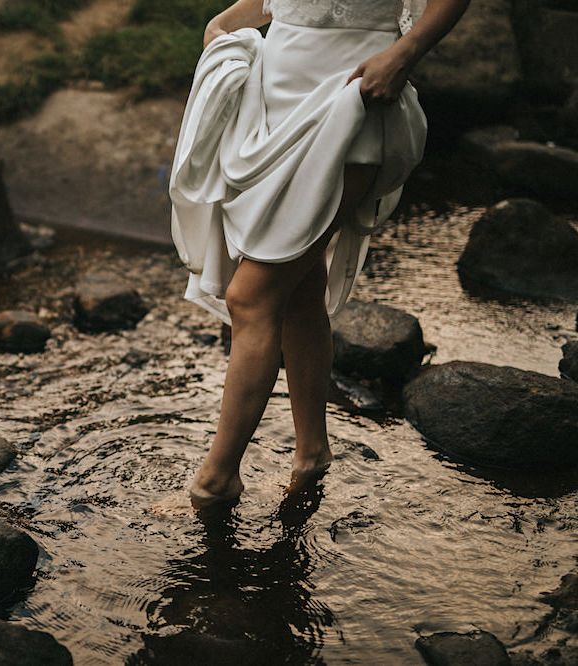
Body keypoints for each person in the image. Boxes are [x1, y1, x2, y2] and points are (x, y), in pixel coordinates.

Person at [168, 0, 470, 508]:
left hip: (348, 99)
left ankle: (217, 480)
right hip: (271, 107)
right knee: (298, 292)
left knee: (252, 296)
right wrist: (229, 21)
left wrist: (404, 53)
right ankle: (311, 452)